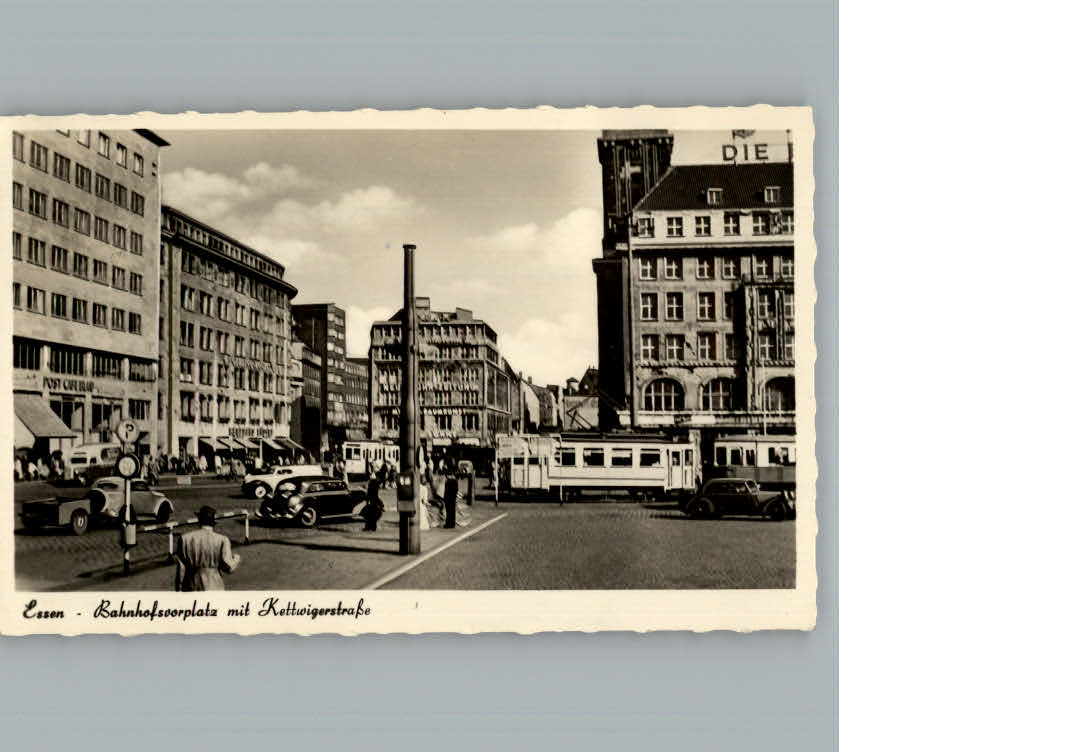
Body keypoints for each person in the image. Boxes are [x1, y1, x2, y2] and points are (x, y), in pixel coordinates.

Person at [174, 506, 241, 591]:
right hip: (214, 585)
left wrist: (179, 590)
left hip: (191, 584)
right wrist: (236, 559)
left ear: (199, 520)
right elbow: (228, 567)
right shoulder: (222, 540)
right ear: (213, 522)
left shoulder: (185, 538)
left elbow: (181, 569)